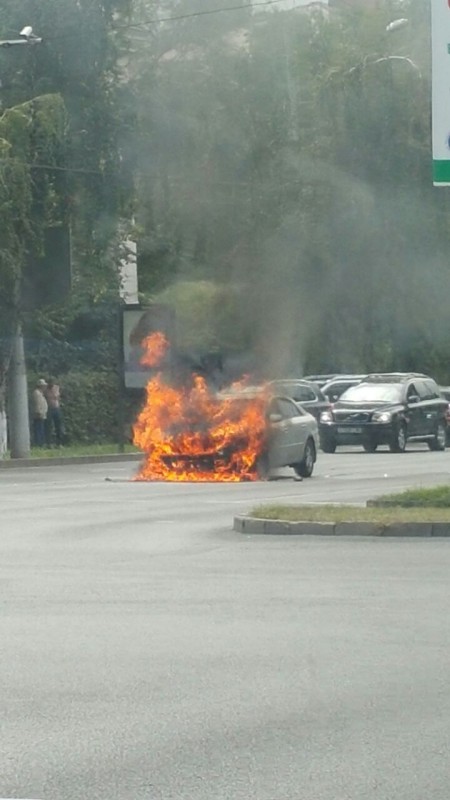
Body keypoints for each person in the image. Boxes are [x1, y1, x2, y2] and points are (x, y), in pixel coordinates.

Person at [45, 378, 64, 446]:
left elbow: (58, 396)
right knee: (49, 426)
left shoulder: (56, 388)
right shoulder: (46, 390)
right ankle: (49, 442)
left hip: (56, 408)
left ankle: (59, 442)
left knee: (58, 426)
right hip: (49, 408)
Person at [31, 378, 48, 447]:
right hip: (39, 414)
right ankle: (39, 443)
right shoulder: (37, 393)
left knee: (41, 429)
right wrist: (39, 412)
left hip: (42, 414)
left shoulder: (40, 393)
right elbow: (37, 403)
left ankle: (41, 443)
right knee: (38, 429)